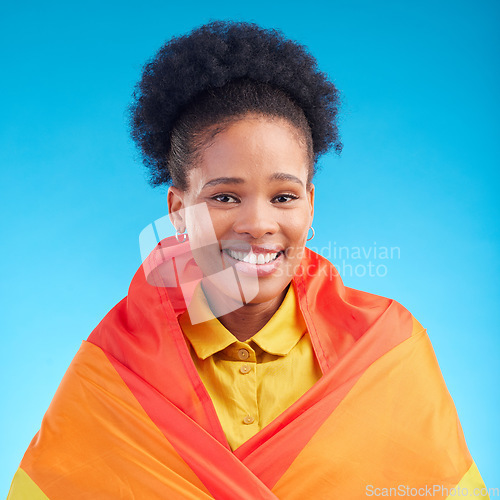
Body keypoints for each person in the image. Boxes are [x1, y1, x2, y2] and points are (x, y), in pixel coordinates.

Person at [9, 20, 489, 499]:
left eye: (283, 197)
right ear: (178, 209)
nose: (258, 224)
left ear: (310, 204)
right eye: (224, 198)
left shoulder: (387, 350)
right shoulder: (115, 369)